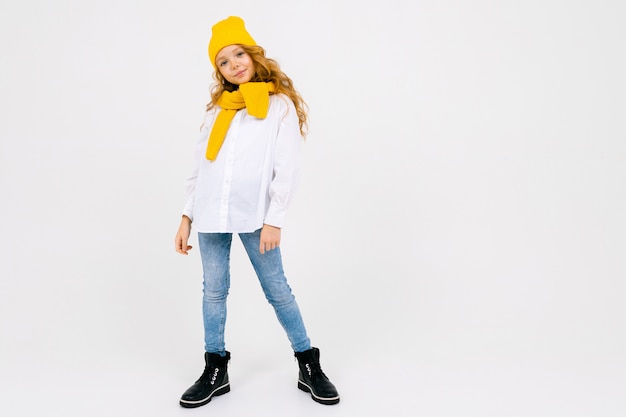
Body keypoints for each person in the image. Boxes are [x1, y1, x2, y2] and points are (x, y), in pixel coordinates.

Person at [174, 16, 339, 408]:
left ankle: (308, 364)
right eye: (224, 62)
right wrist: (186, 216)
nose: (234, 65)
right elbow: (200, 167)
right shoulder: (218, 109)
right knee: (213, 291)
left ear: (253, 53)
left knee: (277, 289)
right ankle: (216, 368)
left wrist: (274, 218)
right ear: (220, 71)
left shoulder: (278, 105)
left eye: (238, 54)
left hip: (255, 215)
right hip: (212, 213)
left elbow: (287, 166)